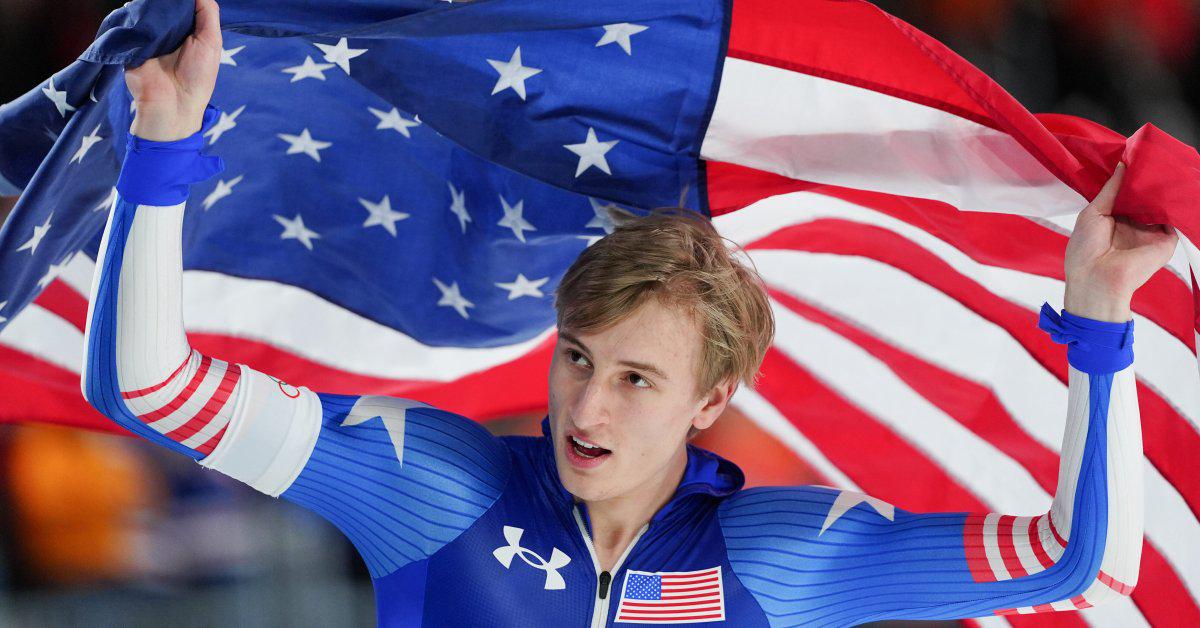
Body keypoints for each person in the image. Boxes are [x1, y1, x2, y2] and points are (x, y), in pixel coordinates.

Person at [81, 0, 1177, 625]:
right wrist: (165, 154)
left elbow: (1071, 558)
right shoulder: (437, 488)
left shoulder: (778, 557)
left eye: (636, 376)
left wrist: (1097, 318)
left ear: (714, 398)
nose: (584, 404)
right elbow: (148, 386)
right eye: (576, 356)